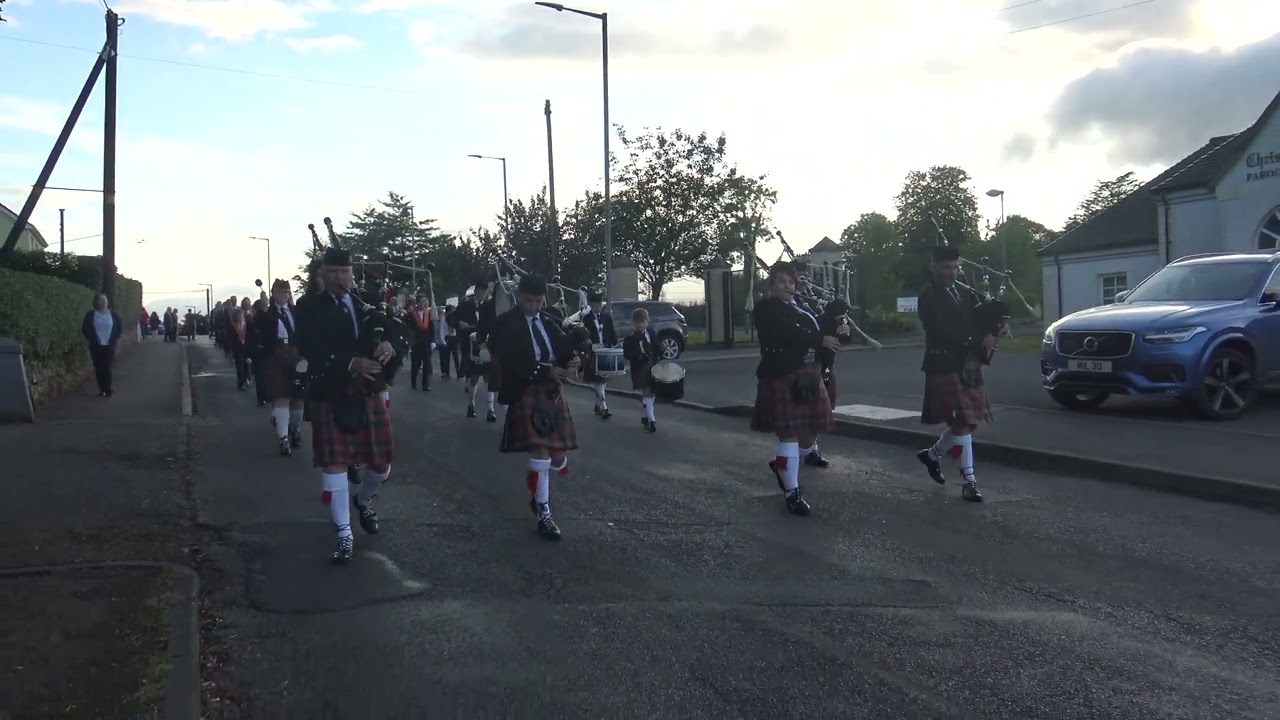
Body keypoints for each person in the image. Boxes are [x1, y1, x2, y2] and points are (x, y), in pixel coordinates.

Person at [296, 247, 399, 563]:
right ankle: (344, 534)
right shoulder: (308, 306)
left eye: (344, 272)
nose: (339, 277)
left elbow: (399, 329)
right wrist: (350, 362)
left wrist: (388, 342)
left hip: (369, 390)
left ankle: (365, 500)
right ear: (322, 275)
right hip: (332, 390)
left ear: (352, 273)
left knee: (382, 464)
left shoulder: (366, 301)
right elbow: (311, 347)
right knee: (335, 465)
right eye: (333, 272)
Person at [750, 261, 846, 516]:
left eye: (791, 282)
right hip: (781, 375)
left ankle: (782, 465)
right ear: (772, 285)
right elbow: (787, 332)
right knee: (789, 436)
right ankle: (793, 493)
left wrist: (838, 324)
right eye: (781, 281)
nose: (787, 286)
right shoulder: (765, 309)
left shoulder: (804, 309)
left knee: (810, 436)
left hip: (810, 375)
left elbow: (823, 335)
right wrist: (819, 337)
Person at [489, 274, 580, 540]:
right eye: (530, 300)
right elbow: (512, 360)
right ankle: (544, 512)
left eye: (539, 301)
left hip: (552, 391)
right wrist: (545, 370)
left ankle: (539, 490)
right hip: (526, 388)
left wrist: (574, 359)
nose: (534, 306)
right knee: (541, 450)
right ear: (519, 296)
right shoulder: (506, 324)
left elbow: (562, 348)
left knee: (557, 455)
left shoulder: (550, 321)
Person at [914, 245, 995, 502]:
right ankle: (969, 481)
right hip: (944, 364)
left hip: (967, 365)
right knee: (962, 423)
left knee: (965, 422)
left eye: (955, 266)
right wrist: (976, 340)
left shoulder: (965, 290)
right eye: (946, 267)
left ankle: (932, 456)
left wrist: (995, 326)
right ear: (934, 267)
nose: (952, 272)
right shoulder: (928, 296)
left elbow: (980, 318)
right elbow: (939, 330)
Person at [257, 280, 306, 455]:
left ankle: (295, 430)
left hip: (298, 354)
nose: (283, 295)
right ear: (273, 293)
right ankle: (284, 440)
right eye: (279, 292)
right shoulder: (266, 313)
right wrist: (264, 306)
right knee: (281, 396)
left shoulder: (296, 312)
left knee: (299, 397)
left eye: (286, 292)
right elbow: (261, 324)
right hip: (275, 356)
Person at [580, 289, 617, 419]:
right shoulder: (586, 319)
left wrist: (615, 345)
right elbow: (583, 337)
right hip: (593, 351)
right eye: (596, 305)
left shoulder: (606, 317)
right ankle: (604, 407)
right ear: (591, 304)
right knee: (599, 380)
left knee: (602, 381)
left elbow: (612, 333)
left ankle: (598, 404)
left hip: (606, 350)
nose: (598, 307)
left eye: (600, 304)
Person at [622, 307, 660, 433]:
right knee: (647, 392)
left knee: (650, 394)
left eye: (643, 321)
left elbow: (657, 348)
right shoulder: (631, 338)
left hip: (653, 367)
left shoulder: (652, 333)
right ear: (634, 323)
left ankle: (646, 416)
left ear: (647, 321)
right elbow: (627, 354)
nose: (640, 324)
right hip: (640, 368)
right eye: (638, 322)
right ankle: (652, 419)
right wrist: (638, 356)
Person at [81, 293, 123, 397]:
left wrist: (114, 339)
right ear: (97, 302)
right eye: (101, 300)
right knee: (99, 368)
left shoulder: (113, 315)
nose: (103, 302)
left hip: (109, 345)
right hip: (96, 346)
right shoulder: (91, 315)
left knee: (107, 367)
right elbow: (85, 329)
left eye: (105, 300)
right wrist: (92, 339)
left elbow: (119, 328)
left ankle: (108, 388)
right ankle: (102, 389)